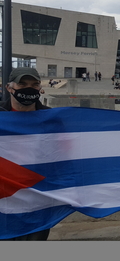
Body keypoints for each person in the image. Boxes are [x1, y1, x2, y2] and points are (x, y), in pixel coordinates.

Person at [1, 67, 51, 240]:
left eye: (34, 84)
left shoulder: (52, 118)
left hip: (38, 201)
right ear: (9, 87)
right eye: (22, 84)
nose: (29, 88)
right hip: (4, 198)